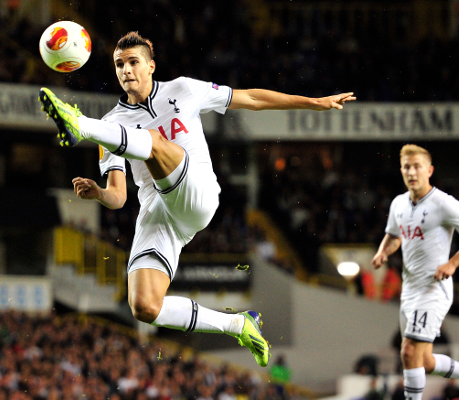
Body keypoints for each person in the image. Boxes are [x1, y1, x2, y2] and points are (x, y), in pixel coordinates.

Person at [39, 31, 355, 367]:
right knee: (145, 306)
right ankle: (237, 324)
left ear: (151, 66)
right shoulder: (112, 124)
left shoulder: (183, 89)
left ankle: (77, 125)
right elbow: (118, 197)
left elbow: (250, 98)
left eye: (133, 62)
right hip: (159, 215)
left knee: (152, 141)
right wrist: (99, 193)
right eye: (119, 65)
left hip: (198, 192)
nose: (126, 70)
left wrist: (313, 101)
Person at [371, 144, 459, 400]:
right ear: (401, 170)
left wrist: (452, 263)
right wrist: (384, 251)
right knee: (423, 361)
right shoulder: (398, 204)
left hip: (433, 290)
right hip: (410, 291)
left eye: (417, 166)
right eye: (407, 167)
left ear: (429, 170)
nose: (412, 172)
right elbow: (394, 235)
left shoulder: (443, 203)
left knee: (407, 353)